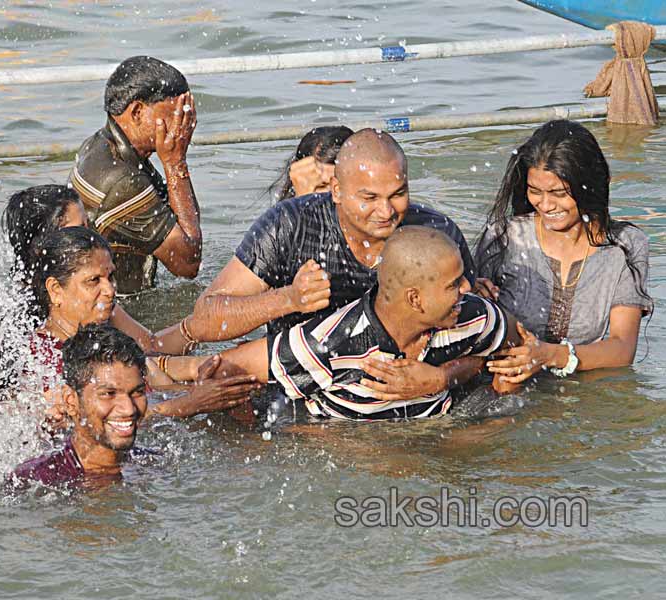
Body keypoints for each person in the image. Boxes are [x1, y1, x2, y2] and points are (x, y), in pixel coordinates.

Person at [179, 128, 479, 396]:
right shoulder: (291, 225)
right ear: (336, 190)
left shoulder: (436, 234)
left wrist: (442, 378)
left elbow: (484, 338)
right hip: (302, 383)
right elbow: (205, 320)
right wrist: (288, 299)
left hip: (407, 392)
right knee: (220, 385)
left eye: (398, 194)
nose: (386, 211)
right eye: (370, 197)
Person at [213, 227, 521, 420]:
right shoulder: (330, 343)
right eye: (454, 284)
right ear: (415, 300)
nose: (467, 289)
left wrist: (442, 378)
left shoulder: (471, 316)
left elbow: (512, 340)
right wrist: (252, 443)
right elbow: (227, 367)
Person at [475, 120, 653, 384]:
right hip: (506, 387)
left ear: (589, 185)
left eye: (559, 193)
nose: (545, 205)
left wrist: (552, 356)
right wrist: (471, 294)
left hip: (581, 392)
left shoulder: (625, 246)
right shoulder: (504, 237)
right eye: (535, 191)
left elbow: (622, 348)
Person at [17, 226, 260, 420]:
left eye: (110, 277)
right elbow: (92, 424)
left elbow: (159, 390)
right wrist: (187, 404)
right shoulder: (40, 359)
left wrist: (208, 389)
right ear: (55, 290)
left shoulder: (111, 340)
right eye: (93, 281)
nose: (110, 290)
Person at [2, 184, 187, 355]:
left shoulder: (98, 294)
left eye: (88, 226)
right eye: (79, 229)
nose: (91, 237)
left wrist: (195, 329)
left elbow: (149, 346)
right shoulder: (25, 320)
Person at [69, 56, 201, 294]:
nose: (184, 128)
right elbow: (188, 262)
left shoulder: (99, 143)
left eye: (187, 117)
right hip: (116, 312)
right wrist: (176, 163)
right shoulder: (123, 181)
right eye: (175, 117)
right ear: (138, 112)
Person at [7, 324, 151, 491]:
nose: (129, 409)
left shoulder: (151, 465)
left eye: (137, 392)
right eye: (108, 394)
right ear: (71, 401)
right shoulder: (35, 482)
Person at [268, 125, 354, 202]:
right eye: (322, 186)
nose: (333, 194)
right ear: (297, 180)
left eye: (340, 185)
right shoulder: (278, 216)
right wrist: (303, 199)